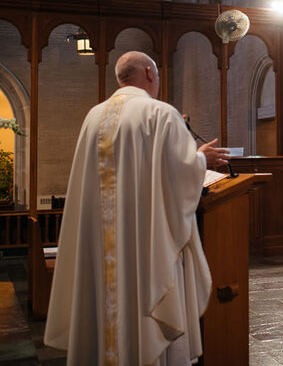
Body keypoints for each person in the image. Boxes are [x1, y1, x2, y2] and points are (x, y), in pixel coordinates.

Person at [45, 51, 230, 365]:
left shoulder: (93, 117)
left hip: (99, 246)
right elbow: (179, 174)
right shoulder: (160, 113)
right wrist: (202, 159)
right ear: (149, 73)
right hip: (146, 244)